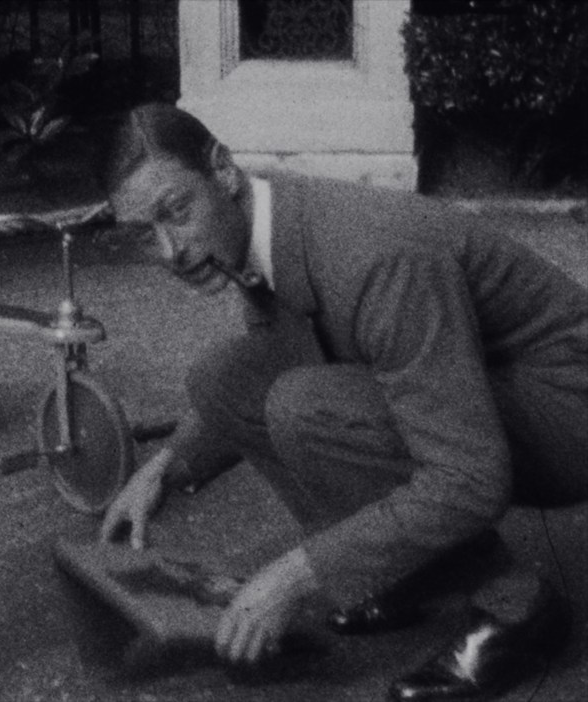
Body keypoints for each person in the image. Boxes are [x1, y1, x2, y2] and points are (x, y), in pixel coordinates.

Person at [99, 103, 587, 701]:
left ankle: (519, 610)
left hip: (568, 410)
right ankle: (408, 577)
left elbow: (471, 478)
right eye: (144, 233)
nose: (170, 251)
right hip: (495, 380)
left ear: (222, 170)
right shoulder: (261, 223)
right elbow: (281, 349)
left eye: (177, 212)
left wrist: (299, 573)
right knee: (223, 380)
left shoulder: (373, 258)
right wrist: (168, 464)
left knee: (307, 409)